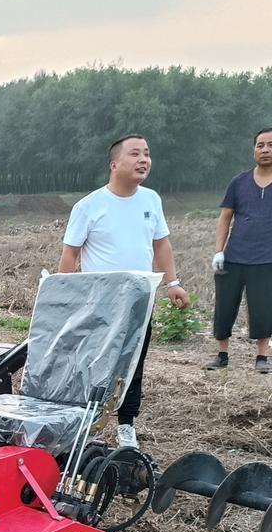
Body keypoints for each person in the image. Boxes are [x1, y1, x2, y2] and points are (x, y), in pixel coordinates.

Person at [58, 134, 189, 449]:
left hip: (139, 302)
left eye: (147, 154)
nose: (144, 160)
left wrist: (172, 283)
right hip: (99, 305)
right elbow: (69, 255)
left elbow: (161, 244)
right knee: (90, 365)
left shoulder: (151, 200)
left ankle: (126, 426)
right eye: (135, 154)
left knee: (133, 365)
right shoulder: (89, 206)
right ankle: (78, 422)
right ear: (114, 164)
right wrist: (66, 298)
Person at [204, 128, 272, 373]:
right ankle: (222, 354)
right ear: (254, 149)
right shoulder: (239, 182)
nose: (265, 150)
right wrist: (218, 251)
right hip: (233, 257)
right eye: (260, 145)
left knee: (264, 307)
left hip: (267, 259)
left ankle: (262, 357)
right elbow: (225, 218)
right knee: (224, 305)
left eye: (270, 145)